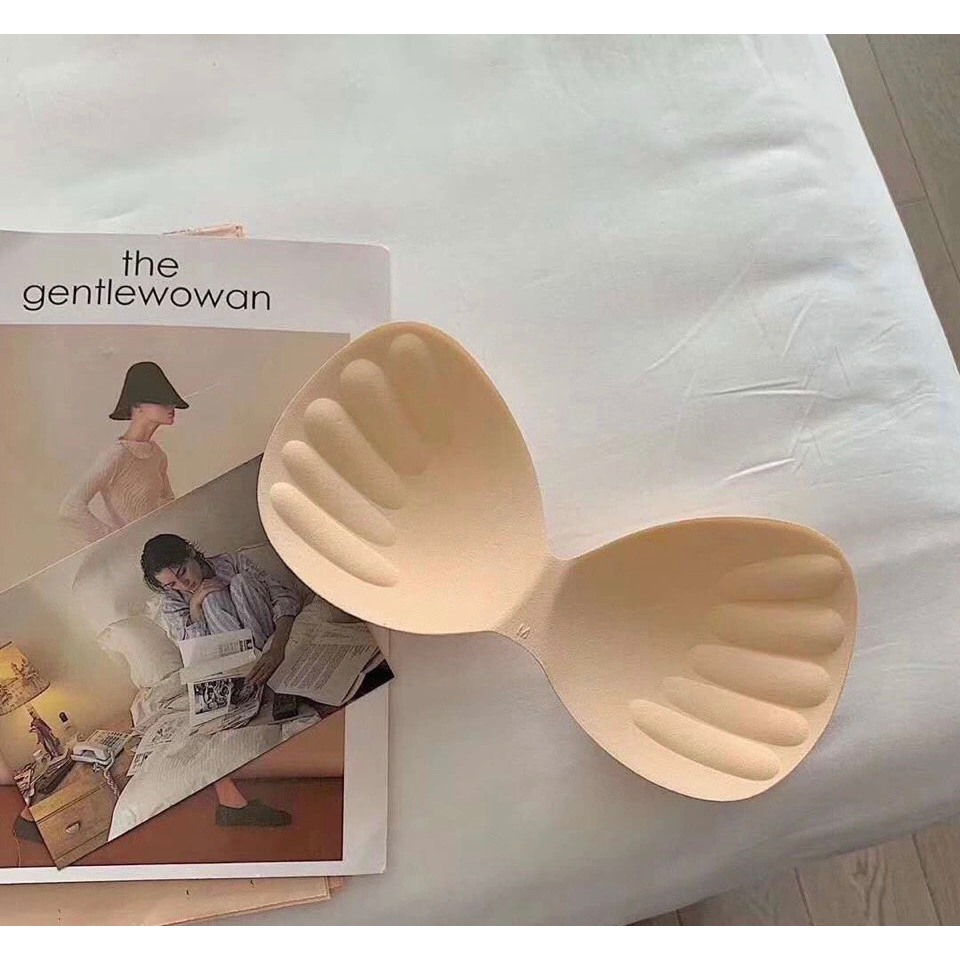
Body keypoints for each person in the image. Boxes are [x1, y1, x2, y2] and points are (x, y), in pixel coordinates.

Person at [140, 533, 304, 827]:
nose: (183, 585)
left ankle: (262, 670)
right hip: (225, 665)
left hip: (267, 642)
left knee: (240, 583)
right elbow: (195, 656)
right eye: (172, 584)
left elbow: (284, 598)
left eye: (183, 572)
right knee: (211, 600)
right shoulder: (172, 603)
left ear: (191, 552)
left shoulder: (234, 563)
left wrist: (277, 649)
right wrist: (195, 606)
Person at [59, 361, 188, 543]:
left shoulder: (157, 456)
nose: (171, 407)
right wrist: (116, 540)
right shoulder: (117, 454)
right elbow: (71, 507)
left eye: (171, 401)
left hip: (154, 550)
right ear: (138, 406)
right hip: (128, 554)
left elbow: (168, 506)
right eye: (161, 400)